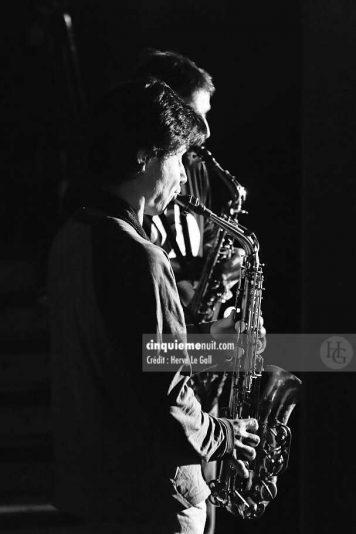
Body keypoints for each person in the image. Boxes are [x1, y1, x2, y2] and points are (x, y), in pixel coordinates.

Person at [48, 78, 260, 534]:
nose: (184, 175)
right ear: (144, 155)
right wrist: (224, 433)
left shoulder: (71, 235)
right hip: (153, 498)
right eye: (179, 157)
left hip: (94, 491)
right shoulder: (138, 255)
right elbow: (165, 394)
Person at [134, 49, 243, 534]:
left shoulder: (195, 173)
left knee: (206, 506)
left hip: (198, 360)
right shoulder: (142, 192)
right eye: (197, 116)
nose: (207, 133)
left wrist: (226, 285)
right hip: (164, 365)